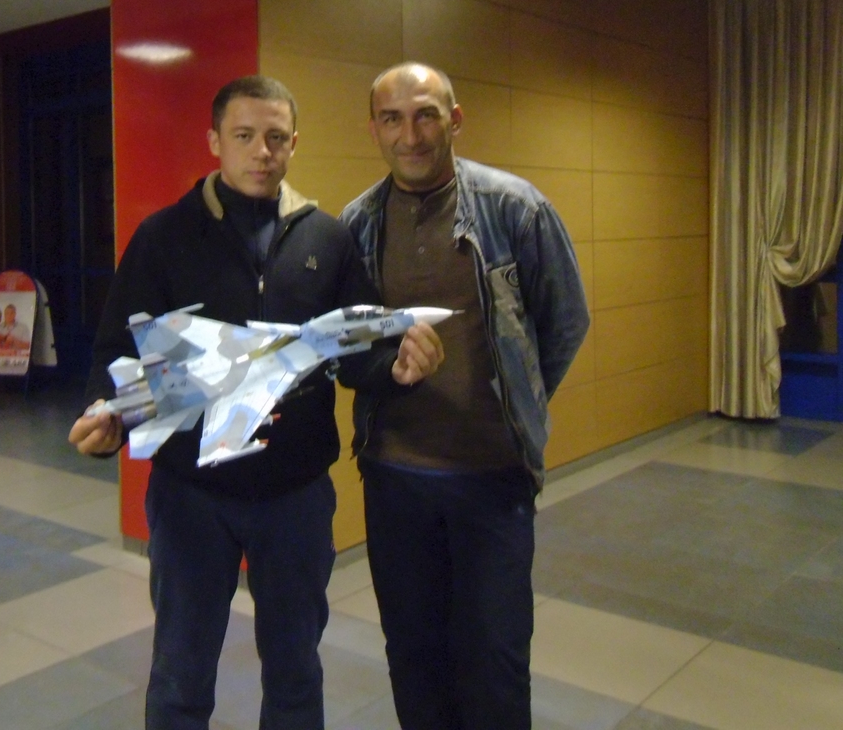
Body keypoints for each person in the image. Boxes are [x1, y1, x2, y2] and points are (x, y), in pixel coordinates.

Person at [68, 75, 443, 730]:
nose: (261, 151)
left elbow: (354, 351)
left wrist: (396, 367)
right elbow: (116, 348)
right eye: (244, 136)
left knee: (295, 672)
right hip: (190, 496)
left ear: (294, 143)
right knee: (181, 674)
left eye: (275, 137)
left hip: (295, 496)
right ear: (215, 141)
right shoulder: (163, 236)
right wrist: (107, 413)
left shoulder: (327, 239)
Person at [338, 62, 590, 730]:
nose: (411, 135)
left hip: (492, 479)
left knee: (495, 663)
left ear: (455, 119)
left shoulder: (515, 209)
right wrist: (389, 365)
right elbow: (348, 347)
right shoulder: (356, 224)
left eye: (426, 115)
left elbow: (565, 321)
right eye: (392, 119)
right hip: (394, 477)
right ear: (373, 129)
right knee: (413, 657)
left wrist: (515, 401)